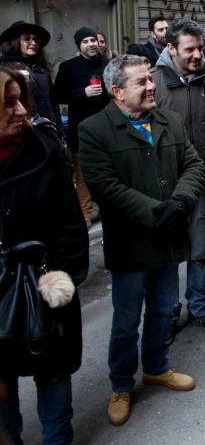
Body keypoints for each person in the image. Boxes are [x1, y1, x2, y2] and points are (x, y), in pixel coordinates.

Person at [79, 54, 205, 427]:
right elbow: (105, 187)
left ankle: (156, 367)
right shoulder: (93, 129)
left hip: (168, 242)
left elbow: (194, 165)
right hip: (132, 246)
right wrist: (157, 213)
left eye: (151, 78)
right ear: (117, 92)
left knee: (165, 310)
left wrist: (181, 200)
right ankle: (121, 385)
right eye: (142, 82)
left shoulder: (170, 120)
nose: (152, 86)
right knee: (125, 322)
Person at [0, 68, 89, 444]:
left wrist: (63, 280)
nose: (21, 110)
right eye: (8, 102)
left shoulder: (45, 150)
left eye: (22, 99)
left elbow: (70, 225)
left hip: (46, 286)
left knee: (53, 373)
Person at [152, 18, 205, 338]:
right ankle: (170, 313)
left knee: (201, 251)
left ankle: (199, 308)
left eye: (201, 48)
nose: (197, 55)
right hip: (167, 187)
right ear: (170, 48)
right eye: (190, 49)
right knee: (171, 253)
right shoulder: (153, 81)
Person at [54, 26, 110, 228]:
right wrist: (81, 93)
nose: (91, 44)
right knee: (83, 174)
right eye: (85, 41)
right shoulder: (69, 67)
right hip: (82, 129)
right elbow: (58, 95)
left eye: (93, 40)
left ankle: (110, 210)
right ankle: (85, 216)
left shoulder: (108, 63)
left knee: (110, 171)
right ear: (79, 46)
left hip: (108, 126)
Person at [0, 21, 62, 131]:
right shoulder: (5, 71)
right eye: (27, 39)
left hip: (49, 130)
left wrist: (60, 130)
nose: (33, 43)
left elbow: (54, 104)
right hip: (24, 131)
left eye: (36, 40)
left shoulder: (42, 70)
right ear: (15, 42)